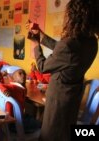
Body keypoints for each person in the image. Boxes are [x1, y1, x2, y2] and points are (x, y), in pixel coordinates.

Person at [27, 0, 99, 140]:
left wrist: (35, 44)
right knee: (65, 133)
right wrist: (40, 34)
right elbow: (63, 51)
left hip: (58, 99)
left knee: (51, 134)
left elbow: (42, 67)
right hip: (73, 96)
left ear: (73, 16)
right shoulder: (91, 42)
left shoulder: (69, 44)